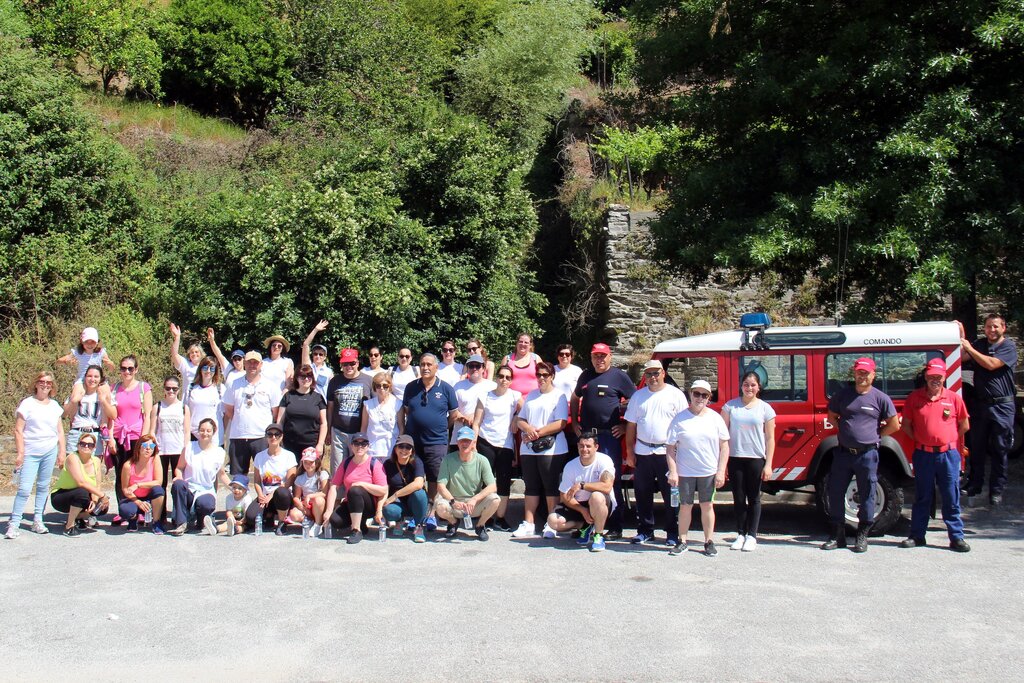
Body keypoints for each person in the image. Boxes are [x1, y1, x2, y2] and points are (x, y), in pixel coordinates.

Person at [822, 357, 899, 553]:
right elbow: (831, 416)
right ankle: (837, 536)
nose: (862, 375)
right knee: (836, 492)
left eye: (866, 372)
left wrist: (877, 435)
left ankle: (862, 536)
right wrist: (843, 431)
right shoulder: (843, 395)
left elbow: (894, 424)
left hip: (867, 454)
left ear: (873, 375)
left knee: (867, 494)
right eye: (859, 372)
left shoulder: (881, 398)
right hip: (843, 453)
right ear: (854, 373)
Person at [900, 358, 971, 552]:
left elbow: (964, 424)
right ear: (926, 376)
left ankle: (956, 537)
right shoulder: (915, 398)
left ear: (944, 377)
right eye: (932, 376)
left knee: (951, 496)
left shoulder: (954, 398)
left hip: (948, 455)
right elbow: (906, 425)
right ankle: (917, 535)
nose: (935, 380)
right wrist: (924, 440)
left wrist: (946, 440)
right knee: (922, 496)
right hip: (924, 455)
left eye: (939, 377)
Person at [571, 342, 636, 539]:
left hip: (609, 437)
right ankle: (588, 525)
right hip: (587, 437)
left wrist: (626, 426)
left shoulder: (619, 377)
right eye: (596, 356)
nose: (599, 359)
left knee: (609, 481)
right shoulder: (585, 376)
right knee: (586, 481)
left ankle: (615, 527)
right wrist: (574, 422)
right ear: (591, 358)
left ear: (610, 357)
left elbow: (636, 402)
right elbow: (575, 398)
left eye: (603, 356)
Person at [624, 360, 688, 545]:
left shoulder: (675, 395)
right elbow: (631, 425)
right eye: (649, 374)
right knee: (642, 494)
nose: (652, 377)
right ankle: (645, 530)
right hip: (643, 451)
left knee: (671, 496)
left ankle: (672, 533)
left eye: (656, 373)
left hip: (667, 452)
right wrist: (630, 452)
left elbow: (683, 424)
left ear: (663, 373)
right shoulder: (638, 396)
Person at [666, 380, 730, 557]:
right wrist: (673, 471)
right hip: (685, 472)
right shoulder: (679, 418)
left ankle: (708, 541)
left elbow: (724, 446)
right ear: (690, 394)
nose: (700, 398)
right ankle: (682, 541)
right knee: (685, 506)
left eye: (704, 395)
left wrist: (720, 471)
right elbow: (670, 448)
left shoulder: (715, 418)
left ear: (709, 398)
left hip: (708, 471)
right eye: (697, 394)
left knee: (707, 506)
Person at [960, 314, 1017, 506]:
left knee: (1000, 448)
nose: (991, 330)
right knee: (977, 446)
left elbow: (992, 365)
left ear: (1003, 327)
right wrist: (960, 333)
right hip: (981, 404)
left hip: (1003, 405)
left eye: (995, 327)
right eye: (988, 327)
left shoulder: (1008, 347)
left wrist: (970, 348)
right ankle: (975, 483)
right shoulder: (980, 344)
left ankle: (996, 490)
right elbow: (962, 356)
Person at [398, 352, 457, 530]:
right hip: (414, 442)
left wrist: (439, 428)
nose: (425, 367)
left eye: (429, 364)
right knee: (414, 477)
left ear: (436, 367)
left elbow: (453, 415)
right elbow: (407, 410)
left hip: (436, 442)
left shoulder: (446, 388)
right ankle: (415, 513)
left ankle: (430, 514)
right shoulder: (411, 387)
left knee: (434, 478)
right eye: (422, 364)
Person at [721, 371, 776, 552]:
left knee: (754, 498)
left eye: (753, 385)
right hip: (736, 457)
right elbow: (722, 435)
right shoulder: (730, 407)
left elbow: (770, 438)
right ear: (741, 386)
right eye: (746, 384)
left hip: (755, 458)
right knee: (738, 498)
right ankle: (740, 534)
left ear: (758, 387)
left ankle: (752, 535)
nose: (749, 388)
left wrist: (768, 464)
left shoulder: (765, 409)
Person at [513, 361, 569, 539]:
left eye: (545, 375)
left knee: (550, 486)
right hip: (529, 448)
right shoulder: (531, 395)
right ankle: (528, 523)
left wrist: (537, 432)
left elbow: (561, 422)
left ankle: (550, 524)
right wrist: (527, 429)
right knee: (531, 486)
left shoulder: (559, 396)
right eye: (539, 375)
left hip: (552, 449)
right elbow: (520, 419)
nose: (542, 378)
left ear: (552, 376)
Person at [7, 371, 66, 538]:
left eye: (48, 382)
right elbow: (18, 430)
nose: (45, 385)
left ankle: (38, 520)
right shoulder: (27, 404)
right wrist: (20, 452)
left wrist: (61, 451)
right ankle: (14, 523)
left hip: (49, 450)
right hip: (30, 452)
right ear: (36, 383)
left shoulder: (54, 406)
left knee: (42, 487)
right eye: (42, 381)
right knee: (25, 489)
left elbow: (60, 431)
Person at [546, 429, 616, 552]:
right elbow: (565, 496)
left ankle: (598, 536)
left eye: (588, 446)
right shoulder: (570, 465)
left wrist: (582, 485)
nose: (584, 449)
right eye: (581, 446)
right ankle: (585, 525)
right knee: (553, 521)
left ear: (596, 447)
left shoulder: (605, 460)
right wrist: (582, 510)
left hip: (600, 503)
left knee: (596, 497)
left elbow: (607, 486)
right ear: (577, 446)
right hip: (579, 504)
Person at [472, 364, 523, 531]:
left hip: (505, 445)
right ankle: (484, 516)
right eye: (501, 376)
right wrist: (473, 442)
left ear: (511, 380)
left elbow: (525, 410)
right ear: (496, 378)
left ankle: (500, 518)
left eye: (508, 377)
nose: (504, 380)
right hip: (485, 441)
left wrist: (516, 417)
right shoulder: (485, 395)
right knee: (485, 481)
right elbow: (477, 422)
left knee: (503, 482)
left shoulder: (515, 396)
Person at [434, 427, 500, 541]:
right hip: (454, 503)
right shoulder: (447, 459)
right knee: (439, 506)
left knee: (495, 499)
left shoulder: (482, 460)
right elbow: (440, 485)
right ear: (457, 442)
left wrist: (475, 499)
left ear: (474, 442)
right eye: (462, 440)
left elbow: (492, 486)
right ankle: (453, 522)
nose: (465, 444)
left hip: (473, 504)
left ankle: (480, 526)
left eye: (468, 441)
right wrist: (453, 501)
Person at [223, 351, 282, 477]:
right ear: (244, 363)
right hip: (238, 436)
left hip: (261, 437)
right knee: (238, 479)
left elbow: (275, 412)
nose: (252, 365)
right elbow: (229, 410)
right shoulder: (234, 384)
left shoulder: (270, 386)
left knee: (265, 476)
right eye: (249, 362)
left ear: (261, 365)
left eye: (256, 363)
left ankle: (264, 497)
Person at [107, 355, 153, 516]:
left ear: (136, 370)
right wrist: (110, 437)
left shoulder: (143, 388)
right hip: (119, 437)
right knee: (121, 474)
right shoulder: (113, 388)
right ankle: (124, 510)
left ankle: (140, 510)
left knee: (138, 474)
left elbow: (148, 415)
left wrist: (144, 440)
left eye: (130, 368)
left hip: (136, 437)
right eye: (123, 368)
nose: (127, 371)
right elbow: (110, 416)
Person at [170, 418, 229, 536]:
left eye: (208, 430)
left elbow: (222, 474)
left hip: (205, 490)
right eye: (202, 430)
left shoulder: (218, 452)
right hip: (189, 488)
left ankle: (201, 520)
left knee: (206, 504)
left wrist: (235, 487)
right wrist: (179, 477)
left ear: (214, 432)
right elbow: (179, 468)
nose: (205, 433)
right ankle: (181, 523)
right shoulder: (189, 447)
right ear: (198, 431)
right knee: (178, 484)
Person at [324, 433, 387, 543]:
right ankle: (361, 523)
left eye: (363, 444)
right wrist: (328, 510)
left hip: (369, 505)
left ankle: (356, 530)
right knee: (335, 521)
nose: (360, 447)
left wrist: (362, 484)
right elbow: (334, 486)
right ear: (351, 446)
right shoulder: (346, 463)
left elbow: (383, 490)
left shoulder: (375, 464)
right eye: (356, 443)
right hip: (351, 503)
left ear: (368, 446)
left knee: (355, 490)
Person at [50, 433, 110, 537]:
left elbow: (97, 485)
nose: (86, 446)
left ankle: (78, 517)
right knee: (82, 492)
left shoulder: (96, 461)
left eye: (90, 445)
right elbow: (80, 482)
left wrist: (95, 501)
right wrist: (102, 495)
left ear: (94, 447)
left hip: (83, 495)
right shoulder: (72, 458)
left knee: (103, 506)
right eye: (83, 444)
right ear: (78, 445)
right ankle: (69, 526)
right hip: (62, 496)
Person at [246, 423, 298, 535]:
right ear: (266, 437)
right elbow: (257, 481)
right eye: (270, 434)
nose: (273, 437)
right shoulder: (259, 456)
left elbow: (289, 481)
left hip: (281, 496)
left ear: (281, 437)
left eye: (277, 434)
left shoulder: (289, 456)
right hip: (265, 496)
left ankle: (281, 522)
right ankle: (268, 517)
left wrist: (272, 495)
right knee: (251, 518)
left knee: (282, 493)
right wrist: (260, 494)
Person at [326, 348, 372, 472]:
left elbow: (373, 408)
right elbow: (330, 408)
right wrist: (329, 431)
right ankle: (338, 492)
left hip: (359, 434)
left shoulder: (368, 381)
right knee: (337, 470)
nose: (349, 367)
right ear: (341, 365)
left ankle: (351, 492)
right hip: (338, 432)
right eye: (345, 364)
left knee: (356, 470)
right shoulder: (335, 381)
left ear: (357, 363)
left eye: (352, 363)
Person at [153, 375, 190, 521]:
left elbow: (186, 431)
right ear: (164, 389)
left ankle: (178, 516)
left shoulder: (183, 407)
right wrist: (152, 447)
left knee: (178, 484)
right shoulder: (158, 406)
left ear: (179, 390)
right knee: (160, 484)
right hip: (161, 450)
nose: (171, 391)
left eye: (174, 388)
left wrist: (186, 449)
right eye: (168, 388)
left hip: (178, 450)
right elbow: (152, 429)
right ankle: (160, 516)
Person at [380, 434, 429, 542]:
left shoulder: (417, 462)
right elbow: (384, 486)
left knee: (419, 493)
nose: (404, 450)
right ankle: (399, 521)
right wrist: (381, 506)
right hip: (399, 504)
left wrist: (395, 495)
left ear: (411, 450)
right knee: (388, 510)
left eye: (408, 447)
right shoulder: (388, 464)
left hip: (415, 502)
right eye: (401, 446)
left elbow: (418, 484)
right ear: (395, 448)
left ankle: (419, 526)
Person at [118, 435, 166, 534]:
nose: (148, 448)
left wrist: (138, 485)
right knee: (126, 510)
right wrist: (138, 502)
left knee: (159, 490)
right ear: (139, 447)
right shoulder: (128, 465)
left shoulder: (155, 459)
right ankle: (132, 519)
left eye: (152, 446)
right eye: (145, 445)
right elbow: (125, 489)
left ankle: (156, 522)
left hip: (149, 496)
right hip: (133, 498)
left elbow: (158, 482)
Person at [63, 365, 116, 454]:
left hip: (95, 434)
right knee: (73, 465)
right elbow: (64, 414)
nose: (92, 379)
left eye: (96, 377)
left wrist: (103, 401)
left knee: (94, 466)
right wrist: (73, 401)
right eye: (89, 376)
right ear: (85, 377)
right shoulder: (77, 393)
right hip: (76, 434)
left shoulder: (104, 394)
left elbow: (113, 415)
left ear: (101, 379)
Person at [278, 364, 328, 458]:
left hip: (311, 445)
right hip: (289, 445)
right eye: (303, 376)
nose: (306, 379)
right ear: (297, 378)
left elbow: (323, 423)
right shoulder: (288, 396)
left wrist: (320, 444)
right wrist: (278, 440)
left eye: (309, 376)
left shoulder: (318, 398)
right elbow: (280, 421)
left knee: (309, 472)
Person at [448, 354, 496, 446]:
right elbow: (452, 408)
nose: (474, 369)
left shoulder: (492, 386)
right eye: (471, 366)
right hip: (460, 434)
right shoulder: (458, 386)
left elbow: (495, 409)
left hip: (482, 437)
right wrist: (462, 416)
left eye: (477, 366)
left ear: (483, 368)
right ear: (467, 368)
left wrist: (475, 415)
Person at [289, 448, 330, 538]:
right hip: (307, 505)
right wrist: (300, 505)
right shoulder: (300, 478)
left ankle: (318, 524)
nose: (308, 465)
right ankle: (310, 520)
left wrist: (310, 496)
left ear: (317, 462)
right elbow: (296, 496)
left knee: (318, 500)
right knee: (293, 514)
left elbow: (324, 493)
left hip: (320, 504)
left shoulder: (322, 474)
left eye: (311, 462)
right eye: (305, 462)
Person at [362, 372, 402, 461]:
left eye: (385, 386)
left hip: (391, 450)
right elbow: (363, 428)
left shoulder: (397, 404)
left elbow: (401, 428)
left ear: (390, 386)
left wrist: (399, 448)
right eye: (378, 386)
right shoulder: (368, 405)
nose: (381, 388)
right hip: (372, 450)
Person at [184, 355, 226, 440]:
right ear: (200, 369)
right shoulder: (191, 388)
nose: (208, 371)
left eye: (212, 368)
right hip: (194, 435)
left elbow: (226, 414)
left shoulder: (220, 388)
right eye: (205, 368)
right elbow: (185, 412)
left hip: (214, 437)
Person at [300, 320, 334, 400]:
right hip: (307, 402)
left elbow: (332, 391)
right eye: (315, 354)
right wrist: (316, 329)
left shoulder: (329, 372)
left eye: (321, 354)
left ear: (325, 357)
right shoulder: (308, 366)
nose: (318, 356)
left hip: (321, 405)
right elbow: (305, 345)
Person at [169, 323, 206, 388]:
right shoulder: (186, 365)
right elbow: (174, 354)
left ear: (201, 354)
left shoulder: (206, 367)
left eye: (196, 352)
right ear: (189, 355)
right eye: (192, 352)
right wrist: (177, 337)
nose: (194, 354)